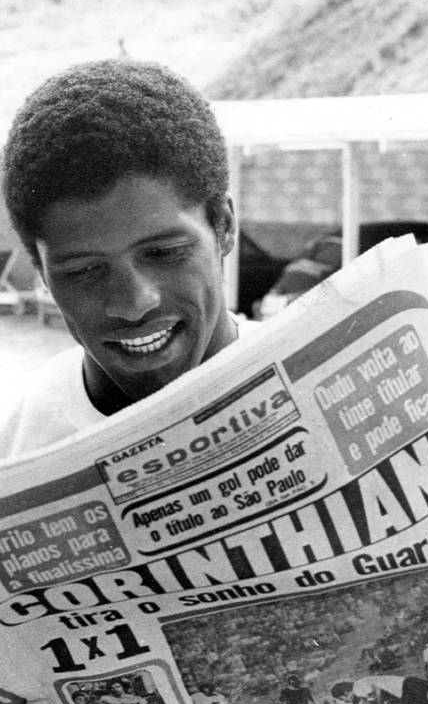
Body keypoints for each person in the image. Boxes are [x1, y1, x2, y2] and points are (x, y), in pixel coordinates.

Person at [0, 58, 254, 459]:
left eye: (162, 253)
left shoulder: (322, 376)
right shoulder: (20, 448)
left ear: (224, 226)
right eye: (84, 270)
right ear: (43, 273)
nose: (134, 304)